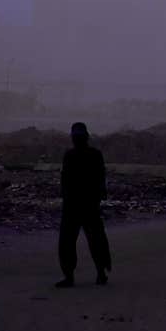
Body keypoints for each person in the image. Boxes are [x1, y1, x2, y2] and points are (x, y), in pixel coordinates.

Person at [55, 122, 111, 288]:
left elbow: (65, 180)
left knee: (70, 242)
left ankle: (71, 276)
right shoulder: (92, 154)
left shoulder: (72, 155)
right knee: (95, 240)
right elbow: (101, 177)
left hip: (77, 205)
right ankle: (100, 274)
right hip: (86, 205)